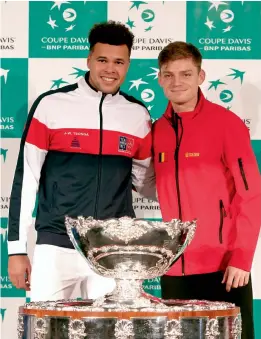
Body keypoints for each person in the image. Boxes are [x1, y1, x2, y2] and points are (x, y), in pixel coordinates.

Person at [7, 21, 155, 302]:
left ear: (127, 65)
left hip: (114, 248)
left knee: (113, 333)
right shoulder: (51, 104)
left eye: (119, 62)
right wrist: (16, 249)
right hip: (56, 245)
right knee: (46, 331)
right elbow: (27, 179)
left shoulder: (137, 114)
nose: (110, 69)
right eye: (102, 60)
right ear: (88, 59)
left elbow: (146, 182)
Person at [152, 41, 261, 339]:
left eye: (186, 74)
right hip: (173, 268)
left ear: (201, 77)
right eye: (169, 74)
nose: (177, 82)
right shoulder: (156, 130)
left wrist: (241, 257)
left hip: (223, 267)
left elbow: (251, 195)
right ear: (160, 79)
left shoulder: (227, 124)